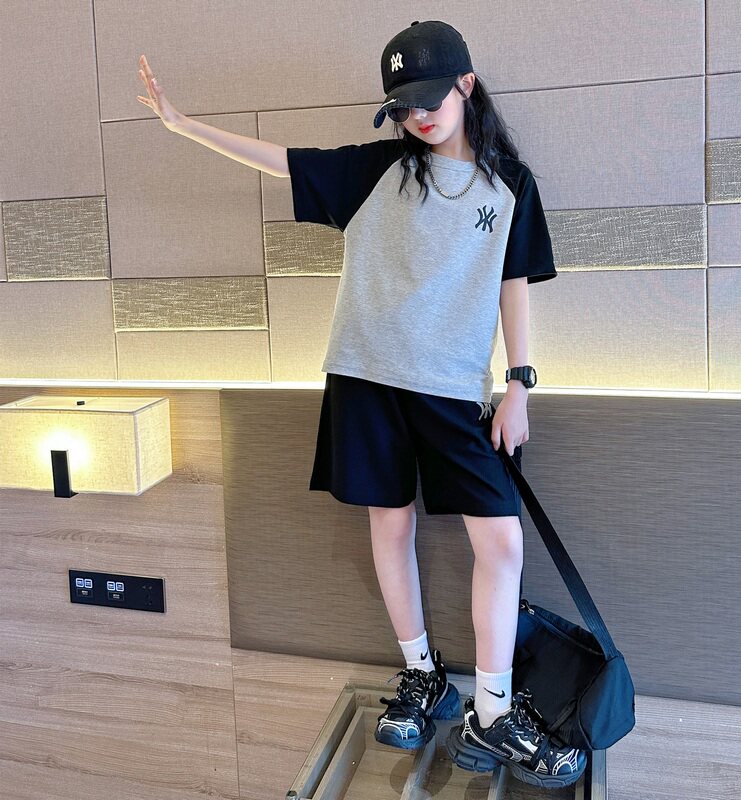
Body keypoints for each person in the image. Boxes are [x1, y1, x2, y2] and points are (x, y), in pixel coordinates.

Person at [136, 19, 586, 788]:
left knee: (501, 542)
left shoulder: (512, 184)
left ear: (466, 86)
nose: (419, 117)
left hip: (453, 389)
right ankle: (422, 675)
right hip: (365, 377)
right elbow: (282, 161)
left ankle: (491, 708)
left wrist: (520, 381)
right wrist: (182, 125)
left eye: (430, 100)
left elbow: (514, 282)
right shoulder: (377, 171)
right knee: (390, 524)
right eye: (404, 107)